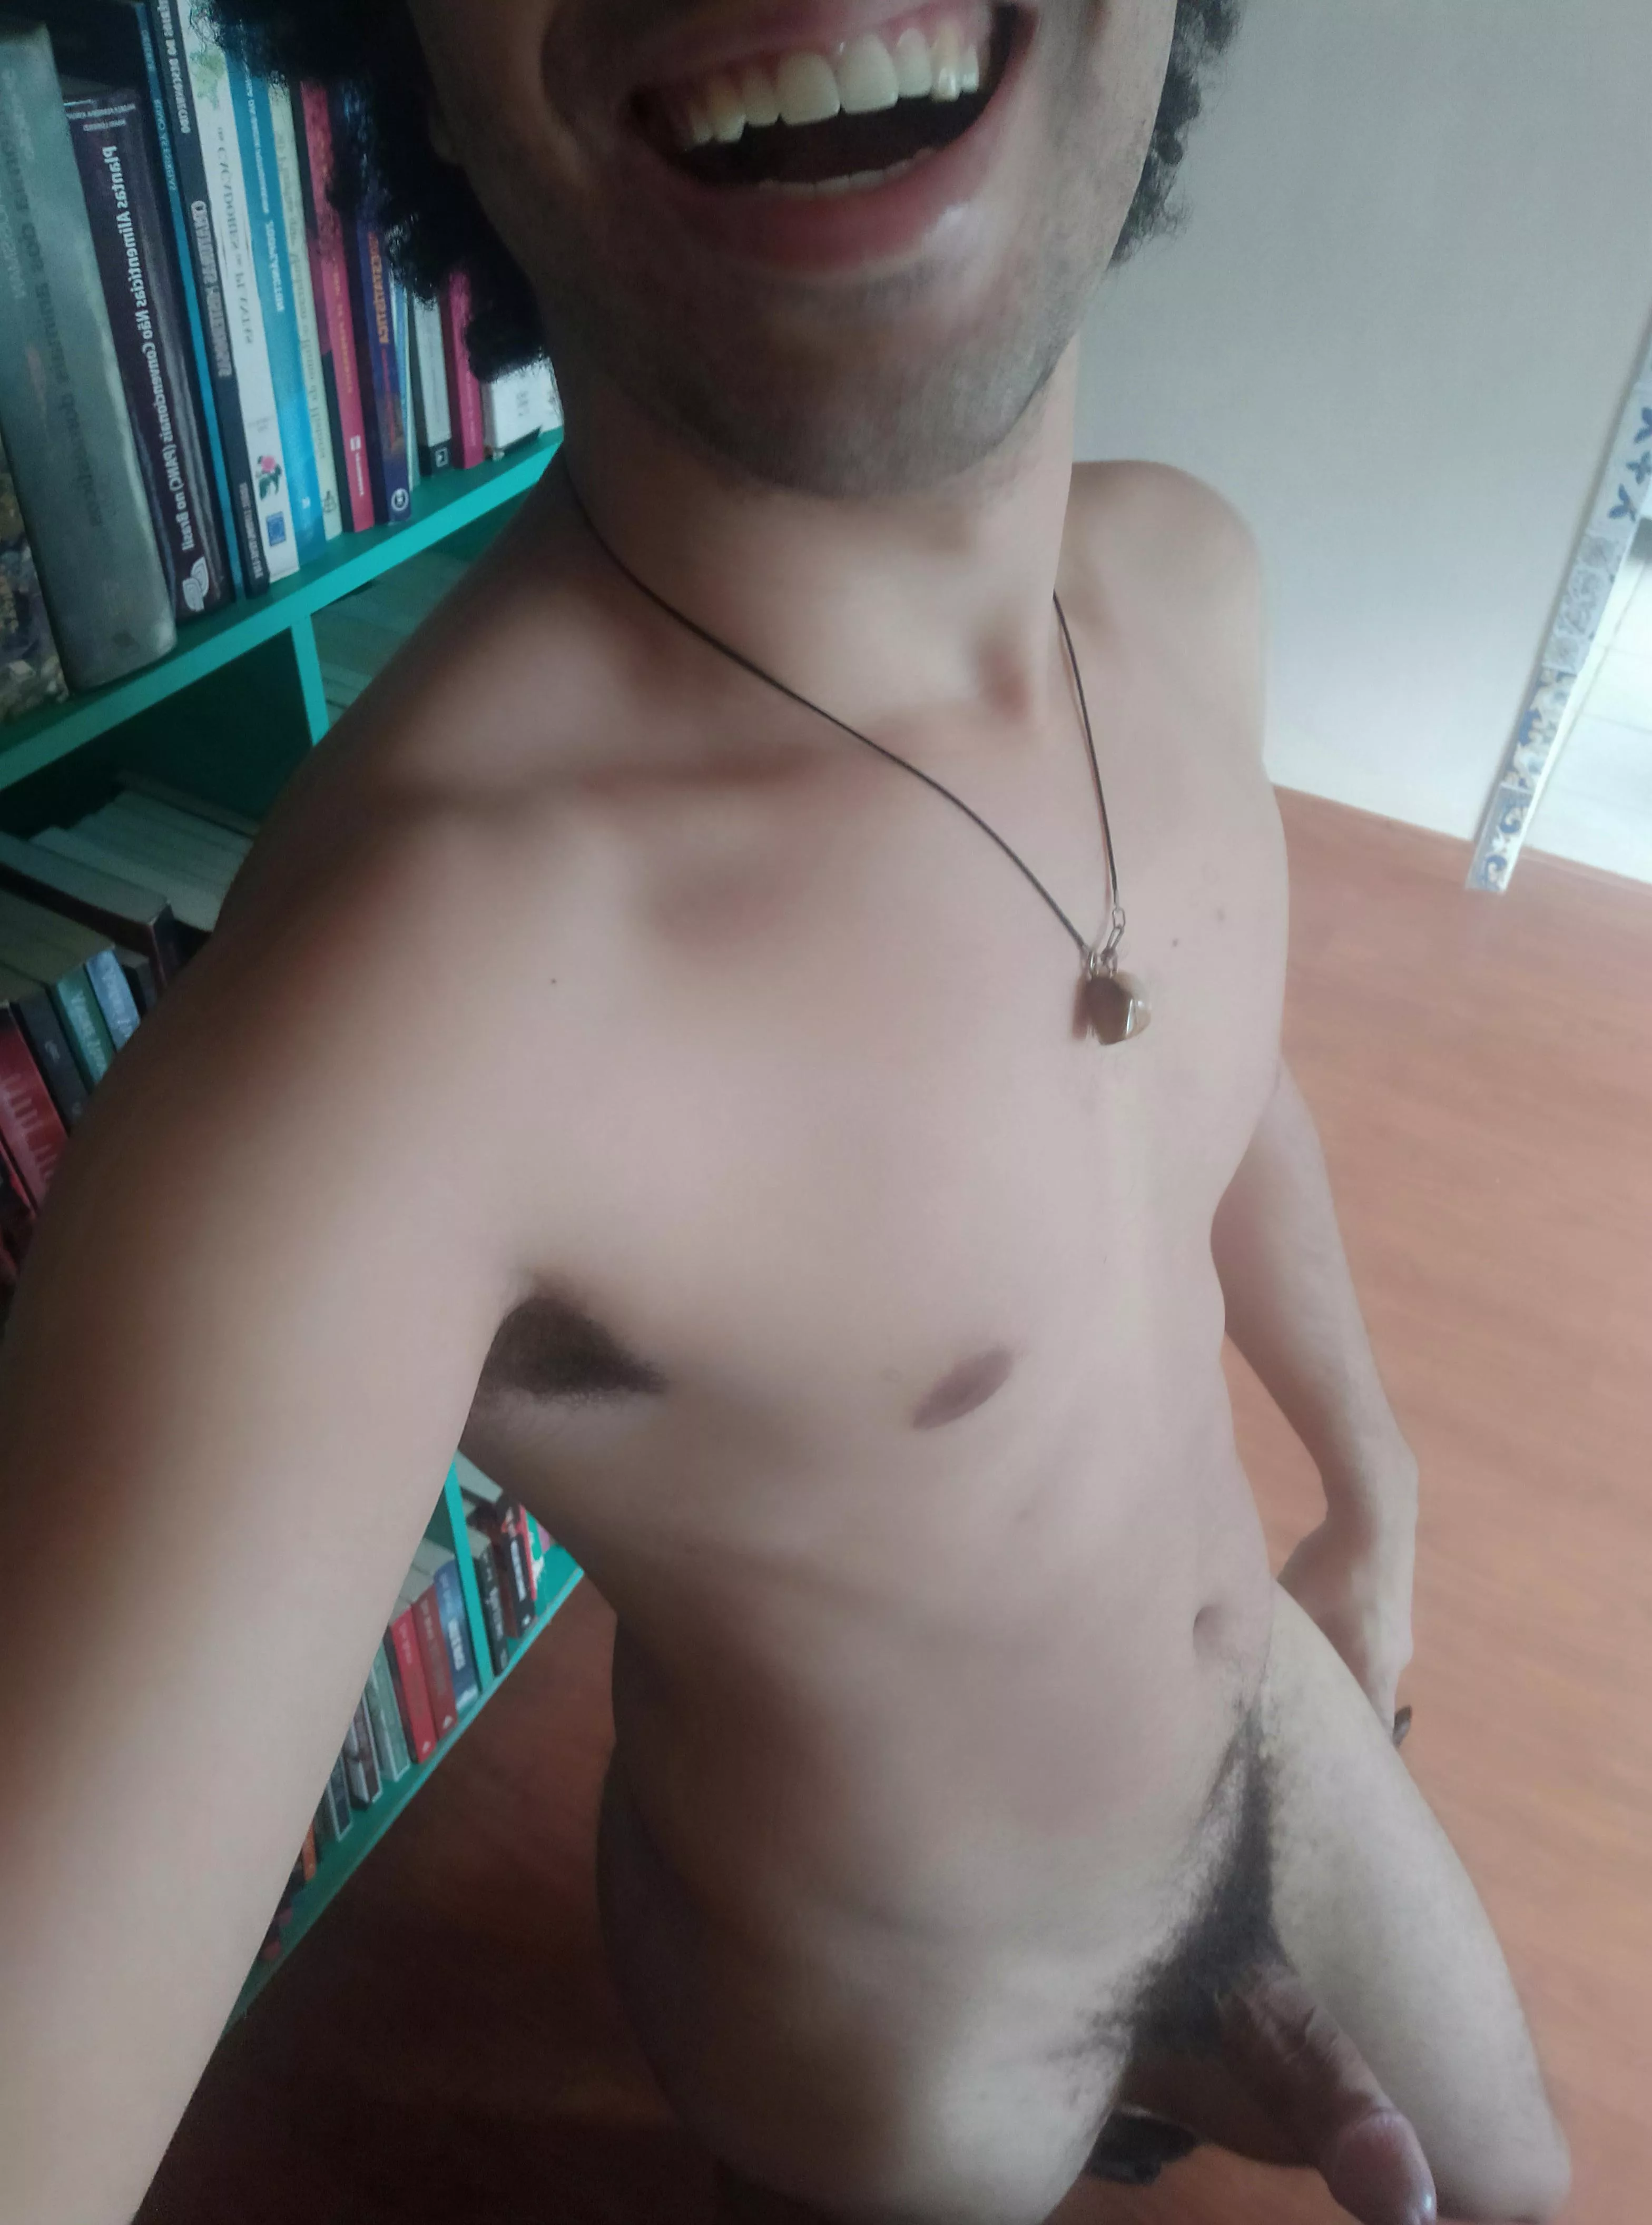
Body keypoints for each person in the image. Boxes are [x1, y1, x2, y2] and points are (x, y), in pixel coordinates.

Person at [0, 3, 1572, 2221]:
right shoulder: (404, 1011)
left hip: (1282, 1752)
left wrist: (1373, 1486)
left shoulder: (1183, 584)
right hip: (895, 2041)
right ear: (405, 50)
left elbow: (1209, 1073)